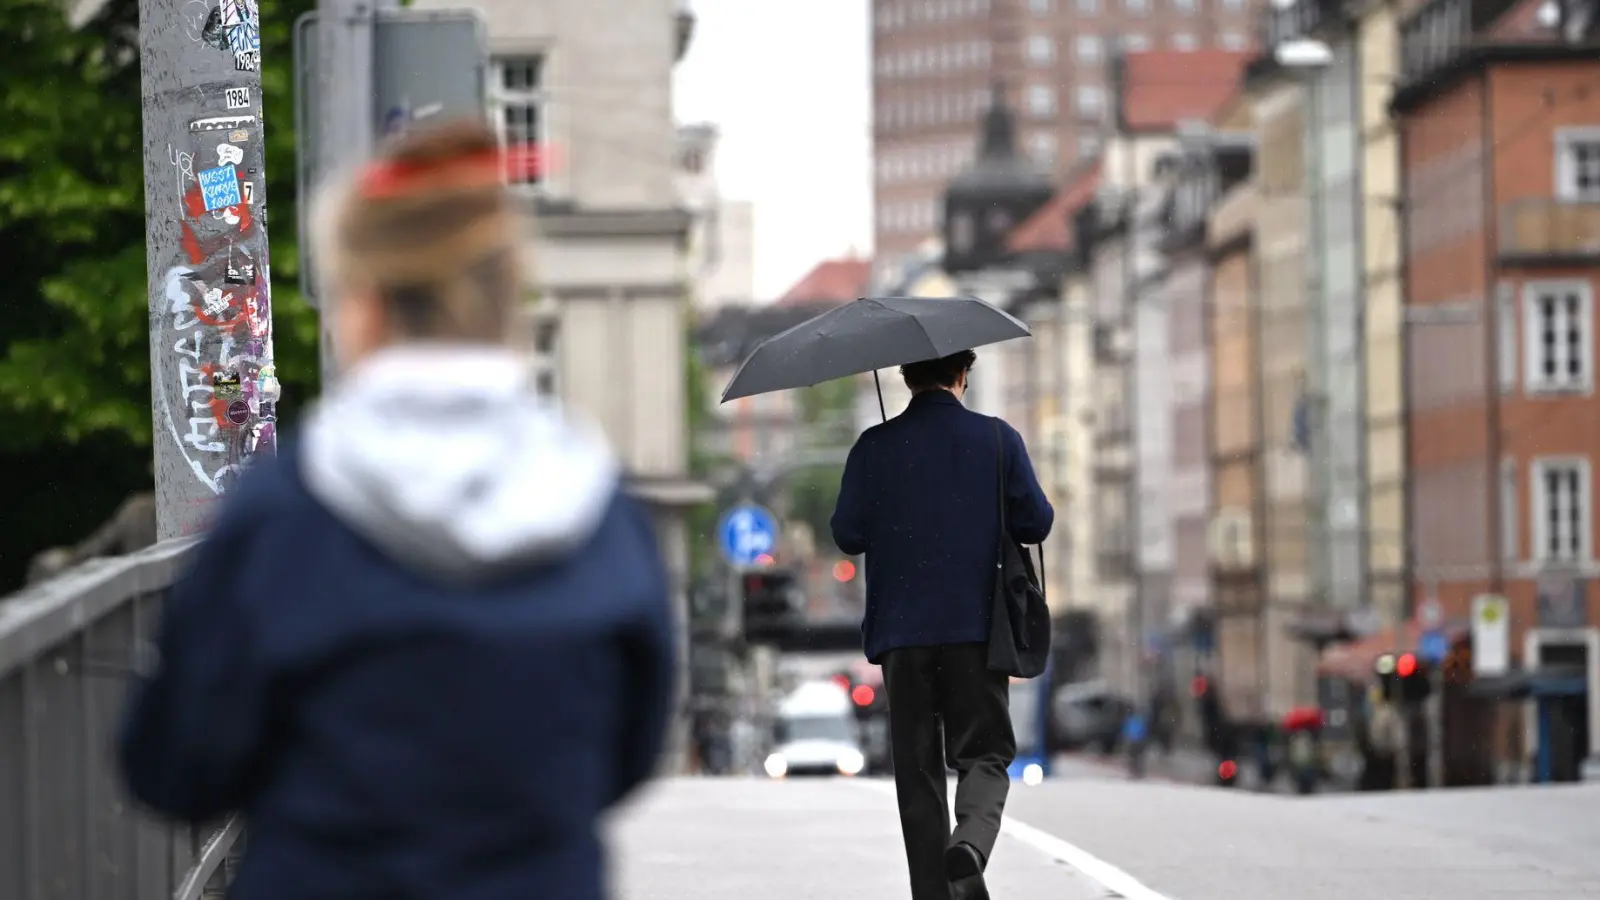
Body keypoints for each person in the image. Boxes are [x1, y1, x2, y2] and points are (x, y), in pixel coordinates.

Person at [116, 120, 677, 900]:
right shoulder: (600, 515)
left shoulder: (285, 517)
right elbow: (629, 754)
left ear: (366, 305)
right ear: (507, 295)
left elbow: (174, 766)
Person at [830, 350, 1053, 900]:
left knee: (918, 770)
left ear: (906, 377)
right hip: (976, 630)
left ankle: (933, 894)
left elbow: (847, 534)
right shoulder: (998, 440)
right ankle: (971, 844)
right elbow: (1036, 521)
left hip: (902, 636)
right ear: (962, 374)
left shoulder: (873, 447)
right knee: (986, 752)